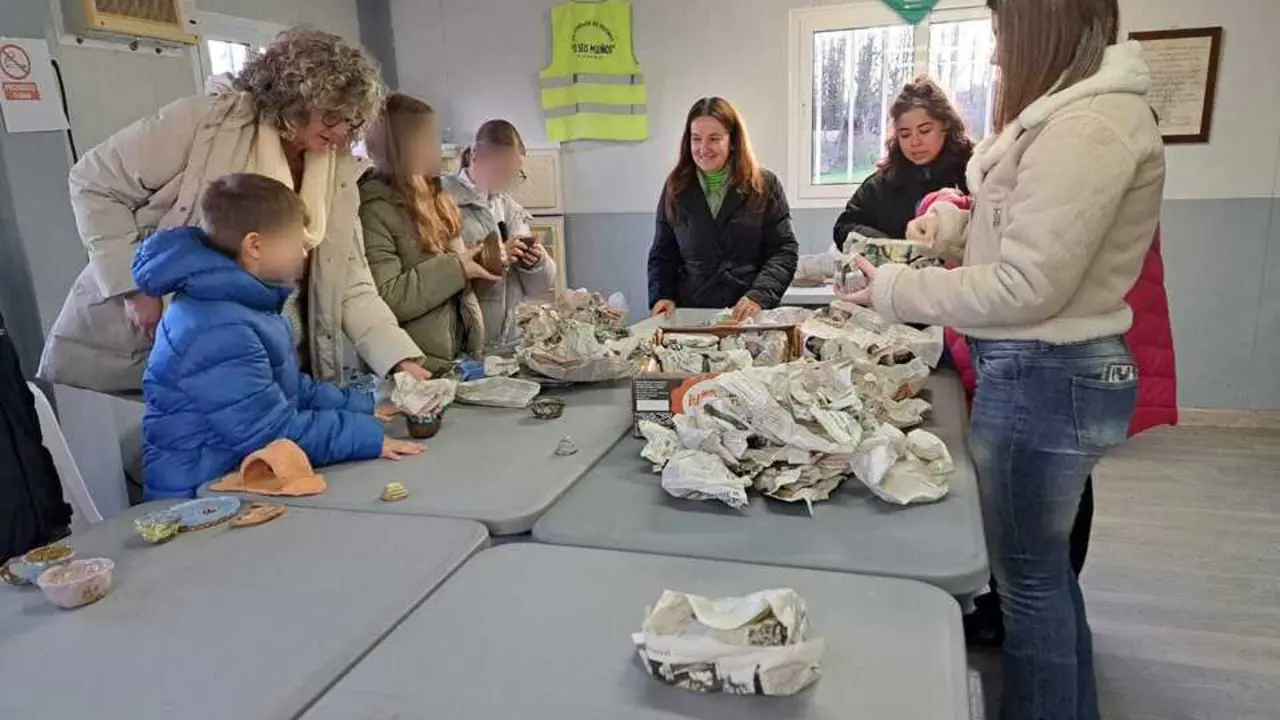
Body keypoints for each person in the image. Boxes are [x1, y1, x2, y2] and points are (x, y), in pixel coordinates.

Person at [842, 1, 1165, 718]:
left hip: (1047, 374)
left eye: (1000, 37)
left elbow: (1028, 284)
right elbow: (1030, 240)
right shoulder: (1072, 120)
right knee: (1045, 581)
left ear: (1040, 29)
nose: (994, 57)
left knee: (1029, 587)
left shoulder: (1088, 126)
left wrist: (897, 286)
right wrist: (960, 225)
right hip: (1045, 371)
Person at [38, 27, 431, 394]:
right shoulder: (206, 122)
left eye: (352, 120)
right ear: (294, 98)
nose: (343, 131)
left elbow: (351, 278)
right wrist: (136, 286)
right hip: (155, 339)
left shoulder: (337, 165)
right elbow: (93, 182)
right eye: (332, 115)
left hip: (263, 355)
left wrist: (397, 357)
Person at [134, 174, 423, 501]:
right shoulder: (219, 327)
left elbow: (290, 390)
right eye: (296, 242)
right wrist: (364, 437)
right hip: (201, 496)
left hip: (233, 476)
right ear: (255, 246)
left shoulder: (244, 306)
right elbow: (267, 433)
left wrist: (368, 406)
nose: (304, 253)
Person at [360, 93, 499, 374]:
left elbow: (453, 293)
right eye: (429, 139)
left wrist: (482, 267)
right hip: (415, 368)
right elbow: (386, 300)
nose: (439, 147)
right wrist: (457, 267)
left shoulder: (437, 200)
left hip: (456, 360)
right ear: (403, 147)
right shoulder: (373, 210)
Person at [648, 97, 798, 322]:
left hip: (749, 313)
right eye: (696, 139)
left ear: (733, 141)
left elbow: (783, 250)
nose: (703, 148)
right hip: (692, 312)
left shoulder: (764, 185)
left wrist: (759, 296)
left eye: (714, 139)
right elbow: (663, 253)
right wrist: (663, 295)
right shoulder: (675, 187)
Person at [442, 120, 556, 351]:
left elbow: (538, 287)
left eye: (513, 173)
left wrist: (534, 262)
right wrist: (495, 256)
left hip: (510, 340)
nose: (506, 180)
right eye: (501, 170)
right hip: (464, 342)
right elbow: (439, 276)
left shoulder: (509, 208)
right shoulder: (443, 203)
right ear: (475, 156)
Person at [832, 76, 973, 248]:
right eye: (905, 134)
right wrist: (894, 248)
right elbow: (843, 228)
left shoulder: (972, 174)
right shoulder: (883, 182)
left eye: (925, 131)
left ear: (946, 125)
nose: (914, 142)